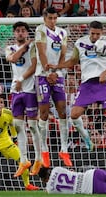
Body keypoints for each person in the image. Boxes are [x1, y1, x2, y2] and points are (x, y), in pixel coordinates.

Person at [48, 20, 106, 152]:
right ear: (89, 31)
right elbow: (73, 61)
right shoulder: (80, 43)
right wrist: (57, 66)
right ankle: (86, 137)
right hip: (87, 84)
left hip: (103, 83)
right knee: (74, 115)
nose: (95, 37)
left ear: (102, 32)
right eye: (92, 33)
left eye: (97, 34)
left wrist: (105, 72)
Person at [35, 7, 71, 167]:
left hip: (58, 75)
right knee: (43, 113)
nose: (53, 21)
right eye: (50, 18)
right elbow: (42, 52)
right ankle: (44, 150)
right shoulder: (40, 30)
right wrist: (48, 71)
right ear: (44, 18)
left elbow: (63, 54)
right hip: (42, 75)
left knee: (62, 110)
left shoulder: (63, 33)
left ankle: (64, 149)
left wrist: (56, 71)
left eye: (55, 18)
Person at [5, 21, 42, 177]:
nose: (20, 33)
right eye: (18, 31)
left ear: (27, 33)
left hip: (30, 90)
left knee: (33, 126)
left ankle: (38, 158)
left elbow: (34, 67)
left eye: (23, 31)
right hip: (16, 91)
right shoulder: (9, 48)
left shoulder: (33, 48)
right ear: (14, 33)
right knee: (19, 126)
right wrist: (24, 46)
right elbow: (12, 59)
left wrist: (21, 79)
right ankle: (24, 160)